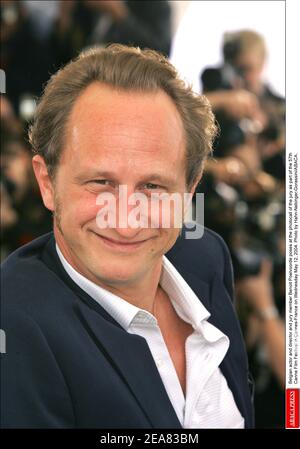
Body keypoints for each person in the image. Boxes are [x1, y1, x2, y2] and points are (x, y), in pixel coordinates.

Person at [1, 44, 254, 429]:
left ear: (189, 191)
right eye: (101, 183)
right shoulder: (14, 325)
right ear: (47, 182)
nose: (125, 221)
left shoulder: (205, 255)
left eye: (152, 186)